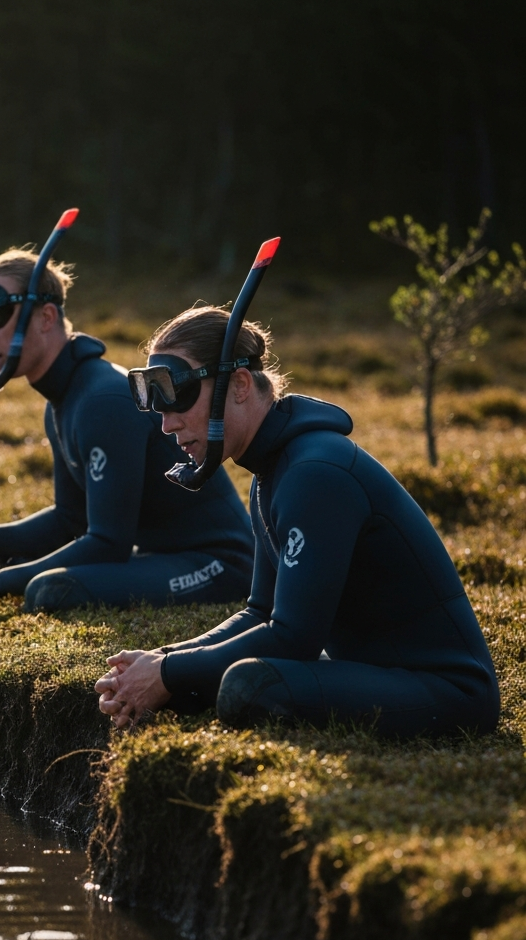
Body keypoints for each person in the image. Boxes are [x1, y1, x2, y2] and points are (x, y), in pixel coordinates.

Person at [95, 305, 500, 739]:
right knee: (208, 681)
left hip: (449, 693)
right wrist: (162, 659)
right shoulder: (271, 472)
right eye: (157, 404)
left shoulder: (315, 474)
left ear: (240, 385)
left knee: (250, 685)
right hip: (371, 670)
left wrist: (170, 672)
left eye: (178, 396)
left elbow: (293, 638)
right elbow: (261, 612)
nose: (167, 424)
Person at [0, 250, 254, 627]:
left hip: (219, 564)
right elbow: (69, 518)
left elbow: (108, 542)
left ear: (46, 317)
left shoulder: (101, 400)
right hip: (160, 553)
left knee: (51, 591)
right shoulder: (64, 399)